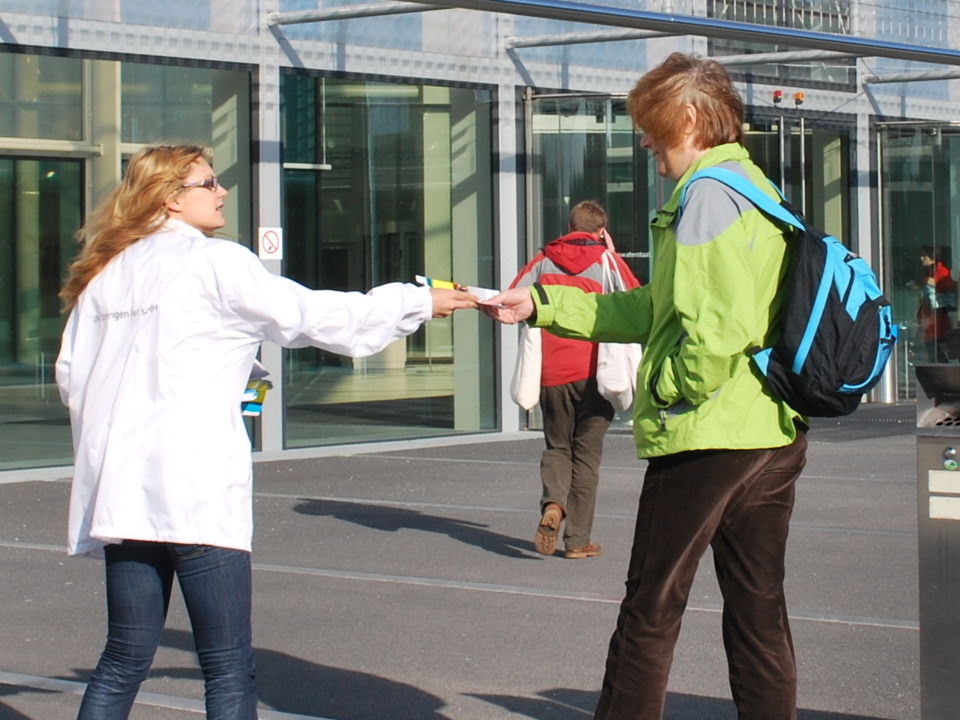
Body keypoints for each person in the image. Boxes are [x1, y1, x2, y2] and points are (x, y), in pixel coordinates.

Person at [55, 144, 477, 719]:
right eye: (209, 182)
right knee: (228, 668)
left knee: (124, 657)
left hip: (123, 491)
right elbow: (316, 317)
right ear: (172, 197)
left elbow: (74, 379)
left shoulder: (107, 273)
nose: (222, 190)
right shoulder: (214, 261)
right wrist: (419, 301)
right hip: (195, 488)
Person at [482, 53, 808, 719]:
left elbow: (717, 331)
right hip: (769, 430)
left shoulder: (706, 197)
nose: (645, 140)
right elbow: (655, 310)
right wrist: (543, 305)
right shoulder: (752, 187)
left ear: (689, 117)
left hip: (708, 437)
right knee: (758, 610)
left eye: (651, 124)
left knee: (650, 610)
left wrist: (674, 392)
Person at [508, 201, 639, 559]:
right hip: (596, 372)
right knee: (586, 456)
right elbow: (636, 299)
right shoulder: (607, 261)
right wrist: (610, 253)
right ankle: (578, 540)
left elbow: (514, 296)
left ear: (568, 226)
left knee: (556, 447)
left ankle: (553, 503)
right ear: (601, 231)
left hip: (551, 372)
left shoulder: (543, 260)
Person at [917, 245, 955, 361]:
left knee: (938, 357)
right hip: (930, 322)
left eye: (924, 256)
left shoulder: (942, 272)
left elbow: (948, 294)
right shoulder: (930, 272)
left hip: (938, 322)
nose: (921, 258)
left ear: (932, 258)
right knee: (933, 355)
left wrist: (933, 285)